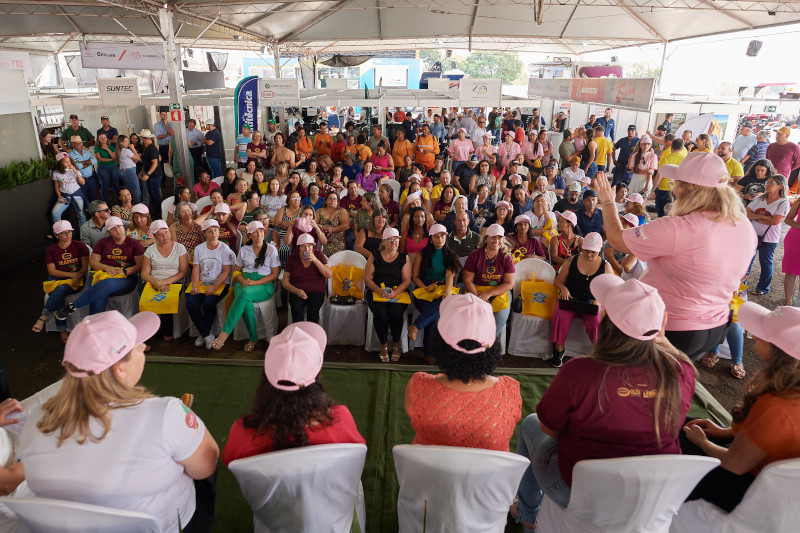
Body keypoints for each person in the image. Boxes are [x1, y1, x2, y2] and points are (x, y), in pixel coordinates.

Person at [512, 275, 696, 530]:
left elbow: (549, 429)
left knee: (531, 423)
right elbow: (681, 362)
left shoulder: (580, 371)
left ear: (606, 320)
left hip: (580, 492)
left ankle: (527, 513)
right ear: (662, 323)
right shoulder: (682, 371)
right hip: (653, 493)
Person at [17, 310, 219, 532]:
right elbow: (205, 468)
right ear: (119, 369)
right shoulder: (166, 413)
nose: (143, 346)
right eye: (137, 346)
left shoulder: (35, 420)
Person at [595, 152, 757, 360]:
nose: (674, 188)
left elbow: (616, 240)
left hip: (673, 326)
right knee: (673, 380)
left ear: (689, 188)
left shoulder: (677, 228)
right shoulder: (743, 224)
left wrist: (608, 202)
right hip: (716, 324)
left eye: (676, 182)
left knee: (642, 383)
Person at [682, 302, 800, 513]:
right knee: (681, 426)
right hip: (764, 475)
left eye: (761, 335)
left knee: (675, 447)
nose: (754, 336)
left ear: (778, 352)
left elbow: (734, 465)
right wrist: (725, 432)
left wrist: (703, 443)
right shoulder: (788, 388)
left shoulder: (775, 405)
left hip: (751, 489)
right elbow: (765, 436)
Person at [221, 321, 365, 464]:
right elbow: (357, 455)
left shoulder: (242, 432)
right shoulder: (340, 419)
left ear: (265, 376)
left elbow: (228, 460)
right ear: (318, 376)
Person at [405, 294, 521, 450]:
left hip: (431, 474)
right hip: (488, 475)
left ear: (440, 343)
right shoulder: (510, 392)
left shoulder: (418, 386)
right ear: (492, 345)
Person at [211, 221, 280, 353]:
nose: (259, 233)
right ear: (249, 235)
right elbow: (236, 271)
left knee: (245, 293)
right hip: (244, 282)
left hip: (264, 284)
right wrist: (242, 281)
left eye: (261, 230)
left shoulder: (271, 249)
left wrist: (254, 283)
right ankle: (253, 338)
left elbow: (275, 274)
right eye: (255, 231)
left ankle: (224, 333)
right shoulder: (244, 250)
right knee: (246, 302)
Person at [56, 217, 143, 318]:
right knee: (99, 296)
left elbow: (140, 265)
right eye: (113, 229)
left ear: (123, 227)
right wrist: (108, 268)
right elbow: (93, 262)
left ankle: (73, 307)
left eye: (119, 227)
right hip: (102, 274)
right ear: (109, 231)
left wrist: (123, 271)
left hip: (126, 278)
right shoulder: (103, 242)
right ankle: (95, 327)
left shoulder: (134, 243)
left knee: (105, 284)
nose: (118, 230)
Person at [549, 232, 613, 367]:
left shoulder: (605, 266)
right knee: (561, 314)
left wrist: (599, 300)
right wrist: (564, 289)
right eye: (586, 251)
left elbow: (611, 289)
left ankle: (598, 349)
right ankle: (558, 348)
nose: (589, 254)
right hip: (571, 297)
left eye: (593, 252)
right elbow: (558, 280)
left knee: (595, 319)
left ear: (599, 251)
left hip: (592, 301)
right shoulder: (571, 261)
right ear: (582, 248)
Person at [32, 221, 90, 344]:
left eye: (69, 232)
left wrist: (77, 275)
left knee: (61, 290)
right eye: (63, 233)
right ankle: (61, 329)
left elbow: (84, 267)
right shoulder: (51, 250)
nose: (67, 235)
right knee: (59, 291)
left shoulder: (80, 246)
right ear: (56, 235)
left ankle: (45, 318)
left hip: (76, 279)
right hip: (58, 278)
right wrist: (72, 275)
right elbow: (52, 271)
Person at [408, 224, 461, 359]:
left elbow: (450, 276)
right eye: (436, 236)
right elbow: (414, 277)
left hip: (444, 288)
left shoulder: (451, 255)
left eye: (442, 236)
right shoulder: (422, 254)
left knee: (436, 312)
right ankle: (430, 353)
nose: (440, 239)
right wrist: (424, 288)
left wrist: (447, 293)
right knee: (434, 313)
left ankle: (416, 328)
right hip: (424, 289)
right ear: (431, 238)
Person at [364, 227, 411, 363]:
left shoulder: (404, 257)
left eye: (395, 240)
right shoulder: (375, 255)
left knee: (396, 314)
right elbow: (367, 278)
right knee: (381, 314)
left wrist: (395, 293)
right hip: (377, 291)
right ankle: (383, 344)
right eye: (390, 240)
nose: (393, 243)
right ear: (383, 242)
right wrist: (379, 291)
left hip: (398, 292)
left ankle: (396, 344)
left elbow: (407, 280)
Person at [187, 219, 235, 350]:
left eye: (216, 230)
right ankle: (207, 335)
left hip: (219, 284)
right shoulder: (199, 249)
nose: (213, 233)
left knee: (209, 303)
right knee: (191, 302)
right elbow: (196, 269)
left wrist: (214, 287)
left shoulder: (225, 249)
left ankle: (204, 333)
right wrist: (195, 285)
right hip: (202, 283)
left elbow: (226, 272)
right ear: (204, 233)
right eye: (210, 231)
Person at [141, 219, 189, 341]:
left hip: (174, 281)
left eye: (166, 232)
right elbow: (144, 274)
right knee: (146, 300)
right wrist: (156, 282)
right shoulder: (150, 250)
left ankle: (167, 332)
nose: (165, 236)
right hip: (154, 282)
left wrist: (165, 282)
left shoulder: (179, 248)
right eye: (160, 234)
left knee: (166, 299)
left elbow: (183, 272)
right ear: (155, 236)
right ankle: (148, 334)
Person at [463, 224, 515, 337]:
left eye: (500, 237)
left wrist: (488, 294)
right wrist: (479, 297)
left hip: (499, 291)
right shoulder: (475, 255)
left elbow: (509, 284)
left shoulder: (506, 257)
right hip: (476, 290)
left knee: (499, 318)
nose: (496, 240)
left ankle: (488, 345)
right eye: (493, 237)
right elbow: (467, 280)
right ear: (486, 238)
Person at [746, 174, 790, 296]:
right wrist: (764, 217)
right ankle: (742, 285)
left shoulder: (783, 203)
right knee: (747, 260)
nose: (767, 185)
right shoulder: (759, 199)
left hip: (769, 238)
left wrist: (756, 217)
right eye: (768, 182)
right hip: (753, 234)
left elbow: (775, 221)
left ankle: (763, 287)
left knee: (765, 262)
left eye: (771, 183)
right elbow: (747, 213)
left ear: (780, 186)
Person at [283, 233, 332, 324]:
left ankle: (311, 335)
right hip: (297, 290)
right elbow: (285, 282)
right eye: (303, 246)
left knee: (313, 311)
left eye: (310, 246)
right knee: (296, 310)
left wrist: (315, 260)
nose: (307, 249)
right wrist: (296, 291)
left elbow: (329, 274)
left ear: (313, 247)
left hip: (316, 291)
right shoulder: (293, 257)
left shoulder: (319, 254)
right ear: (298, 248)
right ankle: (299, 335)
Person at [51, 152, 87, 228]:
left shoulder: (75, 170)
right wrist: (60, 197)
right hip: (65, 196)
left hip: (77, 195)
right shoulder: (56, 173)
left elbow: (83, 182)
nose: (68, 163)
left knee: (81, 214)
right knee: (55, 213)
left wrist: (75, 170)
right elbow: (57, 187)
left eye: (69, 161)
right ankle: (60, 231)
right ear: (60, 163)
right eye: (66, 162)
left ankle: (83, 233)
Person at [766, 126, 800, 193]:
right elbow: (767, 159)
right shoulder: (771, 146)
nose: (777, 136)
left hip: (783, 175)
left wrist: (788, 168)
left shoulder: (794, 147)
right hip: (769, 173)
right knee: (768, 191)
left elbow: (798, 162)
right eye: (776, 134)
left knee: (780, 192)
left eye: (780, 134)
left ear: (787, 135)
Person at [139, 129, 164, 219]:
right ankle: (156, 211)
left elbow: (155, 163)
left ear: (142, 138)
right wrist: (142, 172)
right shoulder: (148, 148)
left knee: (156, 194)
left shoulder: (151, 149)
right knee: (153, 194)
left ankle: (159, 213)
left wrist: (147, 174)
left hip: (154, 176)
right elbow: (147, 163)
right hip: (153, 175)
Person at [69, 135, 99, 203]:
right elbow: (77, 166)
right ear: (73, 145)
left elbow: (95, 161)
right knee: (83, 198)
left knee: (93, 196)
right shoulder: (70, 155)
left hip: (91, 178)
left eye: (80, 143)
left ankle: (93, 211)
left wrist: (83, 162)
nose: (80, 144)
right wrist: (89, 162)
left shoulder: (87, 152)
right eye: (77, 143)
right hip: (80, 180)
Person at [783, 198, 800, 306]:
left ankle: (798, 303)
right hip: (795, 239)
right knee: (790, 271)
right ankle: (788, 302)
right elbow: (788, 219)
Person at [94, 132, 118, 202]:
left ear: (107, 139)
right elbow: (100, 159)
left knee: (116, 185)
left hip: (114, 167)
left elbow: (114, 156)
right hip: (103, 168)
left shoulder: (111, 147)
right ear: (98, 140)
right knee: (105, 186)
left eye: (104, 137)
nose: (103, 139)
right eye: (101, 138)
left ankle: (118, 201)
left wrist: (107, 149)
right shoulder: (97, 148)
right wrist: (111, 159)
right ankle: (104, 203)